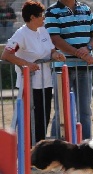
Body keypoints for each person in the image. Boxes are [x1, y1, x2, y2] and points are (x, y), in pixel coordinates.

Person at [1, 0, 65, 144]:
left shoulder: (43, 30)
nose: (44, 18)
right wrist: (27, 64)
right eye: (41, 15)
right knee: (31, 119)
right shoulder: (21, 34)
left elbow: (51, 50)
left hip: (46, 82)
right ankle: (28, 151)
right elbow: (6, 55)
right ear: (32, 17)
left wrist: (56, 55)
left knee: (44, 117)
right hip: (29, 84)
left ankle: (39, 150)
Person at [45, 0, 93, 140]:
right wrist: (80, 53)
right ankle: (56, 147)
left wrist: (88, 48)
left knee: (85, 111)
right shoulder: (52, 11)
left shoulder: (86, 8)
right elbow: (55, 39)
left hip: (84, 67)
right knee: (61, 110)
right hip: (62, 69)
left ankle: (85, 146)